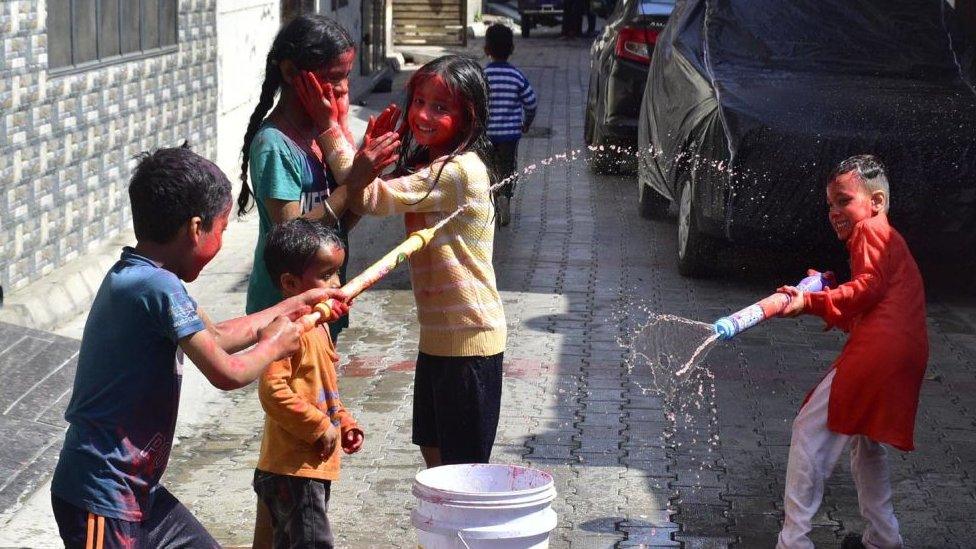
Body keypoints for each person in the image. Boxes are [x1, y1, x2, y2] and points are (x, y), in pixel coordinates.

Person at [49, 145, 347, 549]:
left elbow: (219, 336)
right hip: (101, 496)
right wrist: (275, 344)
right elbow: (227, 371)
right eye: (222, 229)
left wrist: (296, 305)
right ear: (195, 228)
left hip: (138, 493)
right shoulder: (158, 287)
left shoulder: (141, 273)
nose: (223, 240)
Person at [316, 55, 507, 468]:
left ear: (468, 116)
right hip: (440, 339)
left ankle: (462, 535)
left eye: (441, 107)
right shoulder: (434, 166)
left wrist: (330, 125)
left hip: (469, 341)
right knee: (435, 453)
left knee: (463, 472)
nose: (422, 114)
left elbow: (371, 198)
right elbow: (368, 191)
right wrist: (368, 156)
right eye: (419, 100)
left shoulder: (458, 171)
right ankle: (439, 534)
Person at [774, 155, 928, 549]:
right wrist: (824, 292)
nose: (834, 212)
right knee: (865, 442)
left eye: (843, 201)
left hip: (878, 352)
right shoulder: (888, 237)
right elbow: (868, 304)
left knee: (808, 432)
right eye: (830, 204)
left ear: (875, 202)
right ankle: (883, 538)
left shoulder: (872, 231)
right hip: (903, 353)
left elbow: (868, 289)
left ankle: (794, 541)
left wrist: (809, 303)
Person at [238, 14, 360, 342]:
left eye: (346, 76)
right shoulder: (274, 145)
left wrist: (361, 169)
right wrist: (353, 183)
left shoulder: (324, 135)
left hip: (321, 304)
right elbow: (291, 236)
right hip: (284, 313)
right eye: (333, 77)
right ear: (292, 73)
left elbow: (342, 224)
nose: (343, 88)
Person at [253, 219, 363, 549]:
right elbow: (272, 391)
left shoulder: (321, 328)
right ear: (290, 283)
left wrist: (343, 422)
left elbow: (324, 392)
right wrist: (318, 425)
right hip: (292, 470)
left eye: (338, 273)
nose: (337, 284)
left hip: (310, 467)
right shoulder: (285, 332)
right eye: (326, 275)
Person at [484, 23, 538, 227]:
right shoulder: (516, 76)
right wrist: (526, 123)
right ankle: (505, 196)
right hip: (510, 135)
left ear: (486, 50)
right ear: (512, 49)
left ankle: (491, 198)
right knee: (507, 167)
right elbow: (531, 103)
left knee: (488, 167)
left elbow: (474, 103)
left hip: (487, 134)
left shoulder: (483, 75)